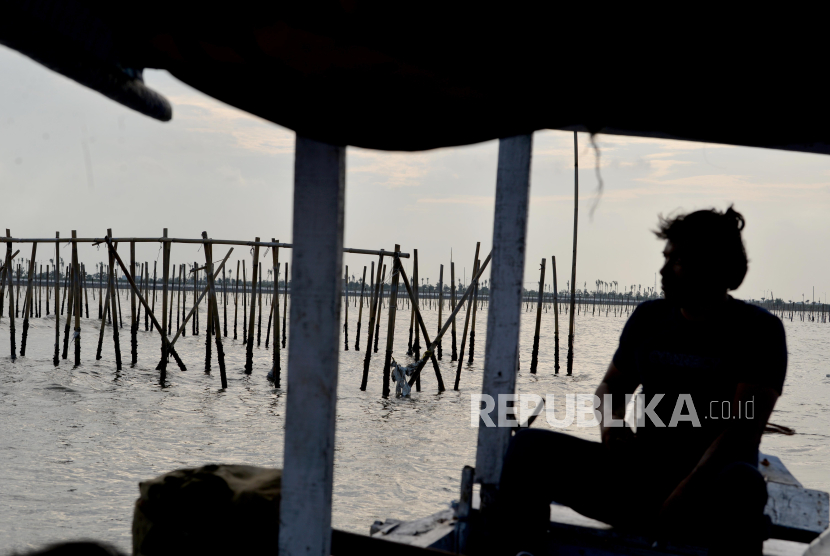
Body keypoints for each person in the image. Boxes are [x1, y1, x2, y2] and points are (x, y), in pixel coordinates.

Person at [496, 207, 786, 556]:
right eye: (665, 257)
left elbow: (743, 430)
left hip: (705, 497)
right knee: (529, 448)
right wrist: (612, 429)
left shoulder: (758, 330)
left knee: (743, 482)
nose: (663, 270)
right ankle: (521, 553)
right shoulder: (650, 318)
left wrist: (683, 493)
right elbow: (611, 388)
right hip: (638, 482)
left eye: (678, 260)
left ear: (716, 266)